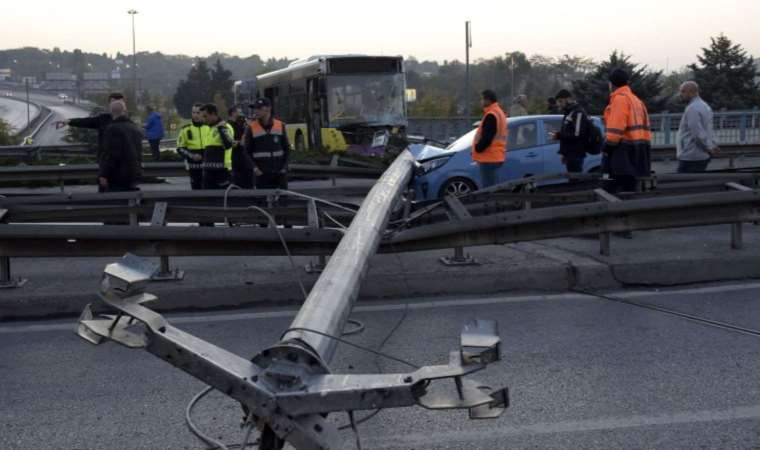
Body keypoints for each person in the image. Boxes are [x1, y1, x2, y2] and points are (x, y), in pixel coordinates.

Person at [602, 68, 651, 194]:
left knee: (612, 186)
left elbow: (615, 130)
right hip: (639, 150)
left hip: (622, 152)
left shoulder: (620, 99)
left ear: (611, 84)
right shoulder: (636, 100)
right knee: (631, 188)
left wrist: (607, 147)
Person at [54, 92, 125, 164]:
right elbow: (87, 121)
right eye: (113, 102)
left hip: (122, 164)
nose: (115, 105)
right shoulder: (104, 119)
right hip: (106, 162)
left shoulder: (128, 124)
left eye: (118, 103)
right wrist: (68, 121)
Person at [244, 98, 290, 190]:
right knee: (261, 202)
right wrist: (255, 169)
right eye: (255, 108)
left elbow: (287, 148)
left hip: (279, 173)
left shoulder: (280, 125)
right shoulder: (251, 128)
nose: (256, 111)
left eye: (259, 108)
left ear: (268, 109)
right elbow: (246, 152)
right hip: (261, 174)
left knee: (282, 201)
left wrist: (284, 167)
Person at [98, 100, 143, 192]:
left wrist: (104, 174)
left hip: (117, 175)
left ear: (111, 111)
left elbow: (112, 154)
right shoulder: (134, 127)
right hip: (133, 174)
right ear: (124, 110)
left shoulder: (112, 129)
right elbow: (138, 152)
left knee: (112, 202)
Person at [676, 81, 720, 173]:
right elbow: (708, 129)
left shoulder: (692, 108)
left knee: (682, 183)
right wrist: (711, 145)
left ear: (692, 92)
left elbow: (697, 133)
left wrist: (709, 148)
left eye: (683, 91)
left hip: (691, 155)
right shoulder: (704, 106)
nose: (681, 94)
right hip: (699, 154)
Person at [472, 89, 508, 188]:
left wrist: (477, 148)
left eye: (482, 99)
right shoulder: (499, 112)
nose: (481, 102)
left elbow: (487, 137)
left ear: (488, 100)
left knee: (488, 189)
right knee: (493, 187)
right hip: (497, 155)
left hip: (489, 157)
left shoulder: (491, 115)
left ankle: (491, 203)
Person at [549, 89, 590, 173]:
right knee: (572, 180)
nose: (559, 104)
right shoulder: (569, 112)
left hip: (576, 155)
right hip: (570, 155)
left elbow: (577, 134)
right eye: (558, 102)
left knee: (575, 182)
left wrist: (559, 135)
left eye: (561, 101)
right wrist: (564, 154)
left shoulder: (578, 112)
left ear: (568, 99)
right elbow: (568, 132)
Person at [200, 103, 235, 190]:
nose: (204, 119)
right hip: (209, 172)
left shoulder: (225, 126)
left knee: (223, 201)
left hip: (222, 171)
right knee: (208, 200)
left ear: (213, 114)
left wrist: (221, 129)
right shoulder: (209, 128)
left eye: (205, 116)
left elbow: (229, 144)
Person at [175, 103, 208, 190]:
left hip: (209, 165)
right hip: (194, 166)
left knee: (209, 190)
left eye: (198, 113)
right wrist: (192, 155)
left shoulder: (210, 127)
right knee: (196, 189)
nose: (195, 115)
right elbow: (180, 148)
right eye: (193, 112)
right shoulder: (186, 129)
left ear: (203, 114)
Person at [227, 105, 253, 188]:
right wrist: (240, 142)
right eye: (240, 112)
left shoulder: (240, 124)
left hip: (243, 158)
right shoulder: (228, 126)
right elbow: (232, 142)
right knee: (238, 182)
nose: (242, 114)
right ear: (233, 113)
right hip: (235, 159)